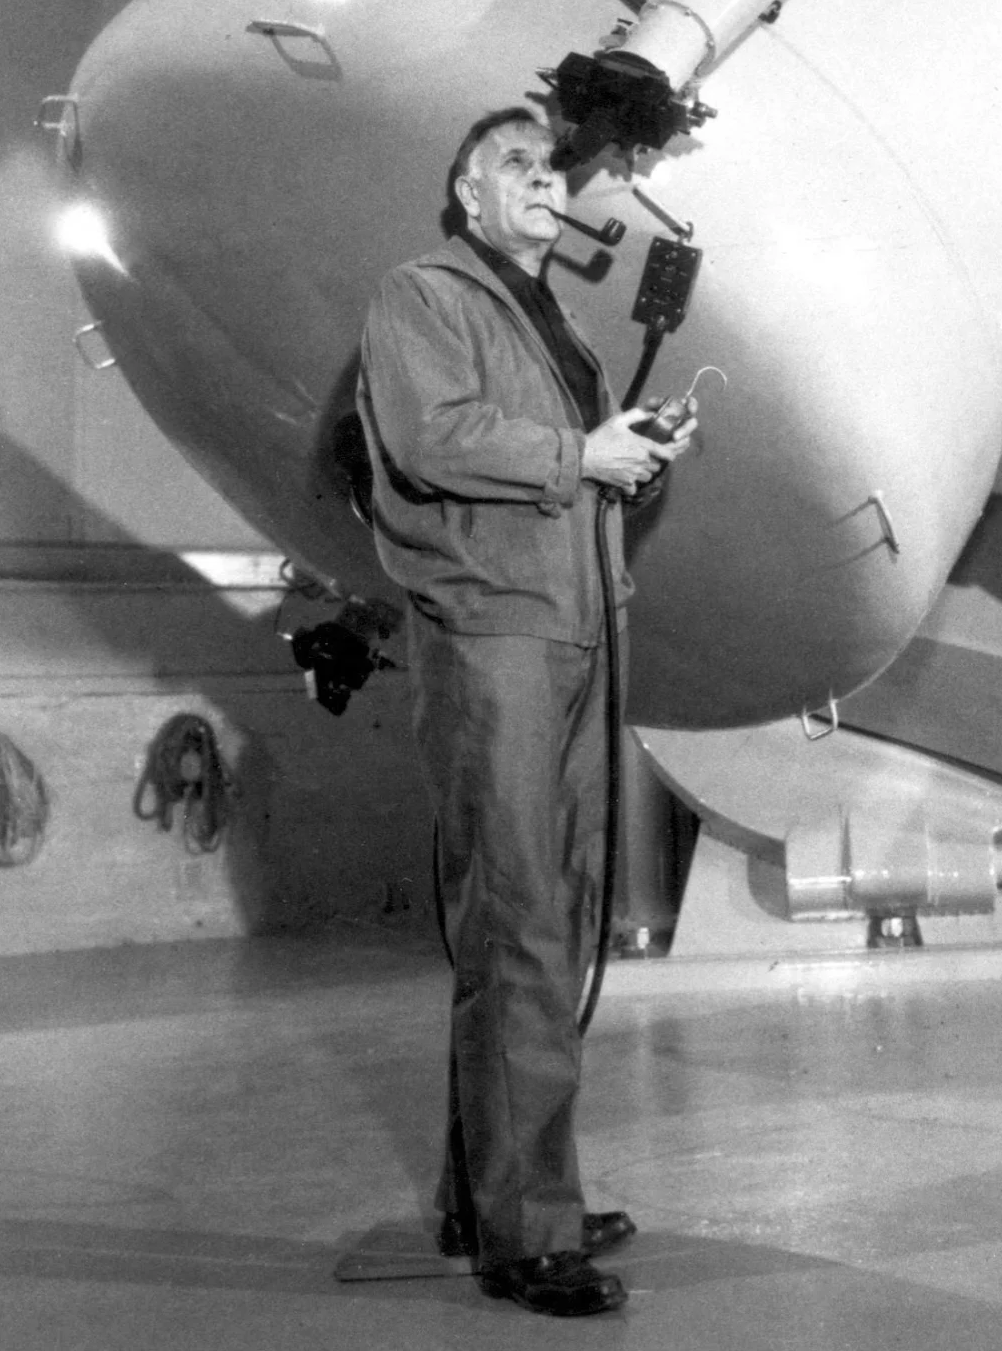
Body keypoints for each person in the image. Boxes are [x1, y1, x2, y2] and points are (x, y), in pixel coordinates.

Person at [358, 107, 694, 1319]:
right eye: (518, 165)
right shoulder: (424, 296)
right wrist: (576, 455)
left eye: (553, 170)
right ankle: (525, 1233)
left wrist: (630, 449)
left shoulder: (566, 329)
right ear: (466, 189)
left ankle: (493, 1192)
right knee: (519, 928)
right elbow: (430, 434)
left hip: (577, 630)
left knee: (559, 909)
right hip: (495, 632)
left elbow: (571, 462)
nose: (545, 184)